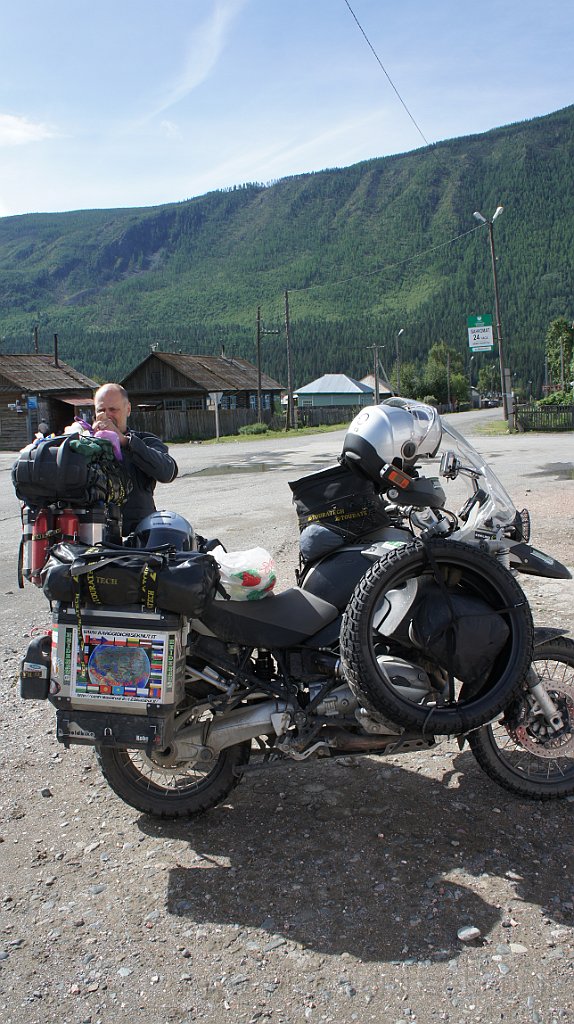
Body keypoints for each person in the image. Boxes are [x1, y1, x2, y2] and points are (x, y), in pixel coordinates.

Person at [93, 383, 178, 535]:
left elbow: (168, 472)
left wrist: (125, 442)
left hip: (140, 538)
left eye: (113, 409)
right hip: (95, 536)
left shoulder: (145, 441)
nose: (107, 416)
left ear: (128, 410)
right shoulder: (86, 446)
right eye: (101, 410)